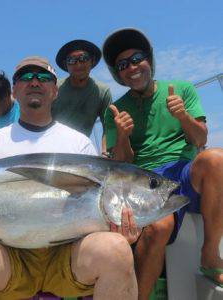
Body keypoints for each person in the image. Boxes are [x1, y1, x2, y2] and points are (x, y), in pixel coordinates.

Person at [0, 56, 140, 300]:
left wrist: (119, 231)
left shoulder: (78, 143)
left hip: (67, 257)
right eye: (25, 78)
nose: (34, 82)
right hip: (10, 257)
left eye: (44, 78)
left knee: (117, 248)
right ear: (15, 90)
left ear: (55, 91)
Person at [102, 28, 223, 298]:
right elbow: (122, 163)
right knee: (159, 226)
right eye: (123, 65)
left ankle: (210, 255)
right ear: (117, 74)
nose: (132, 67)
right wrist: (122, 136)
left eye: (137, 58)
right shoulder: (116, 111)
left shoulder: (182, 90)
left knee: (216, 158)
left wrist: (183, 117)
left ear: (150, 60)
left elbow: (200, 138)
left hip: (184, 171)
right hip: (146, 180)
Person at [52, 39, 112, 154]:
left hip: (80, 149)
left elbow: (108, 127)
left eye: (83, 58)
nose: (78, 64)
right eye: (71, 60)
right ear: (66, 65)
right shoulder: (54, 89)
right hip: (52, 147)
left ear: (92, 61)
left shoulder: (102, 91)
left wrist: (105, 153)